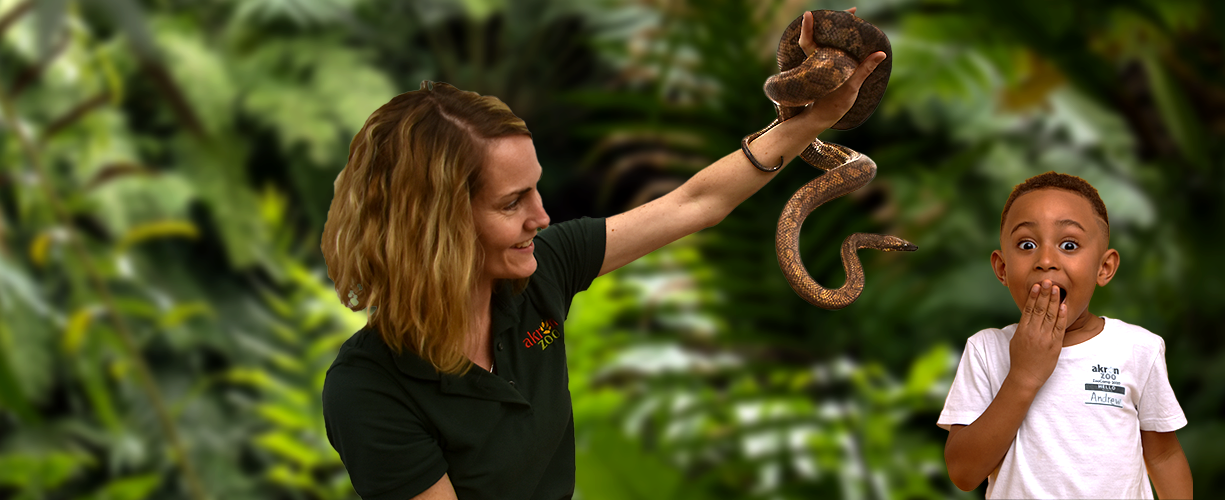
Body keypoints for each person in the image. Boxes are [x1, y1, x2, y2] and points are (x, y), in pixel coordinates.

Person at [317, 11, 886, 499]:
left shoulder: (539, 273)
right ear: (433, 225)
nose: (541, 218)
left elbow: (697, 203)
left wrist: (810, 121)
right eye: (512, 202)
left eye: (536, 189)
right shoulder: (370, 389)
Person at [938, 172, 1192, 499]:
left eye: (1069, 245)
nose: (1046, 261)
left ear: (1104, 267)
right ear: (1002, 268)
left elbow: (1163, 454)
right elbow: (963, 473)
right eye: (1027, 244)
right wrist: (1024, 375)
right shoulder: (986, 350)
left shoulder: (1138, 348)